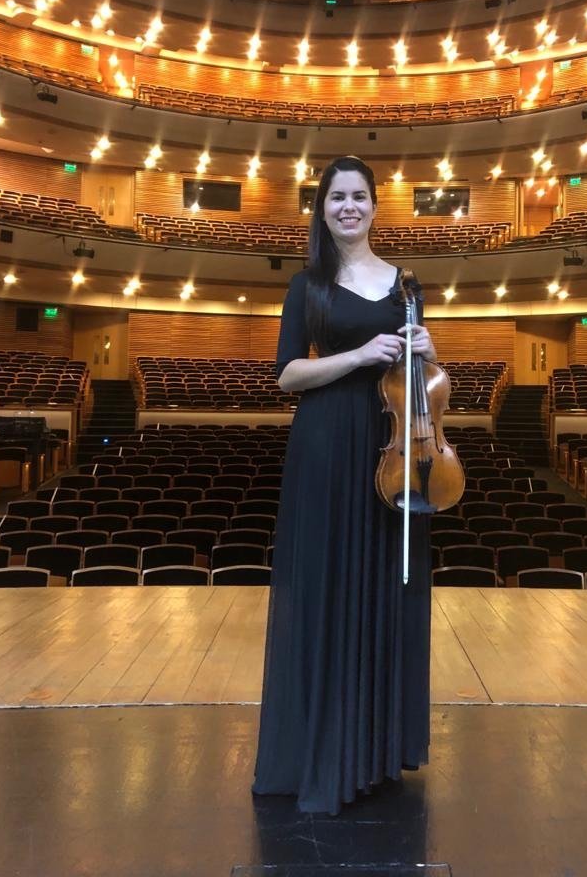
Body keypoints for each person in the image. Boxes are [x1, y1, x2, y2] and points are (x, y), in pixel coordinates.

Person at [252, 155, 436, 815]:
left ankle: (374, 756)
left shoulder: (405, 285)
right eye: (337, 197)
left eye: (359, 196)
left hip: (389, 448)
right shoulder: (307, 285)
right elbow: (286, 375)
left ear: (375, 206)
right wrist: (359, 355)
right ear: (322, 208)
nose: (349, 206)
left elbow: (427, 380)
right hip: (327, 445)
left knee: (385, 588)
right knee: (327, 588)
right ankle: (323, 754)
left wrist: (427, 349)